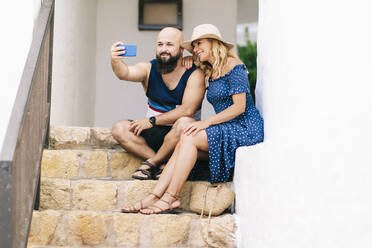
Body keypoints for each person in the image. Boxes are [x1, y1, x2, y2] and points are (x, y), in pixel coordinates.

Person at [122, 23, 264, 214]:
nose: (196, 49)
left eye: (199, 44)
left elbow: (240, 107)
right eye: (193, 46)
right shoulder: (208, 69)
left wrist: (204, 123)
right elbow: (186, 63)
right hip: (225, 127)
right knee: (186, 134)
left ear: (214, 43)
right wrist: (188, 59)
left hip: (245, 128)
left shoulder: (234, 66)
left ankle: (170, 197)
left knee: (189, 135)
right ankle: (154, 196)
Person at [110, 27, 205, 181]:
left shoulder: (195, 73)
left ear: (181, 50)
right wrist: (115, 61)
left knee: (184, 122)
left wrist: (151, 120)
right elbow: (125, 73)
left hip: (180, 136)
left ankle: (151, 163)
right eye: (160, 45)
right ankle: (159, 164)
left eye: (169, 45)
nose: (163, 49)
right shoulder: (148, 69)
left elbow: (187, 110)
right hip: (154, 134)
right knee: (119, 129)